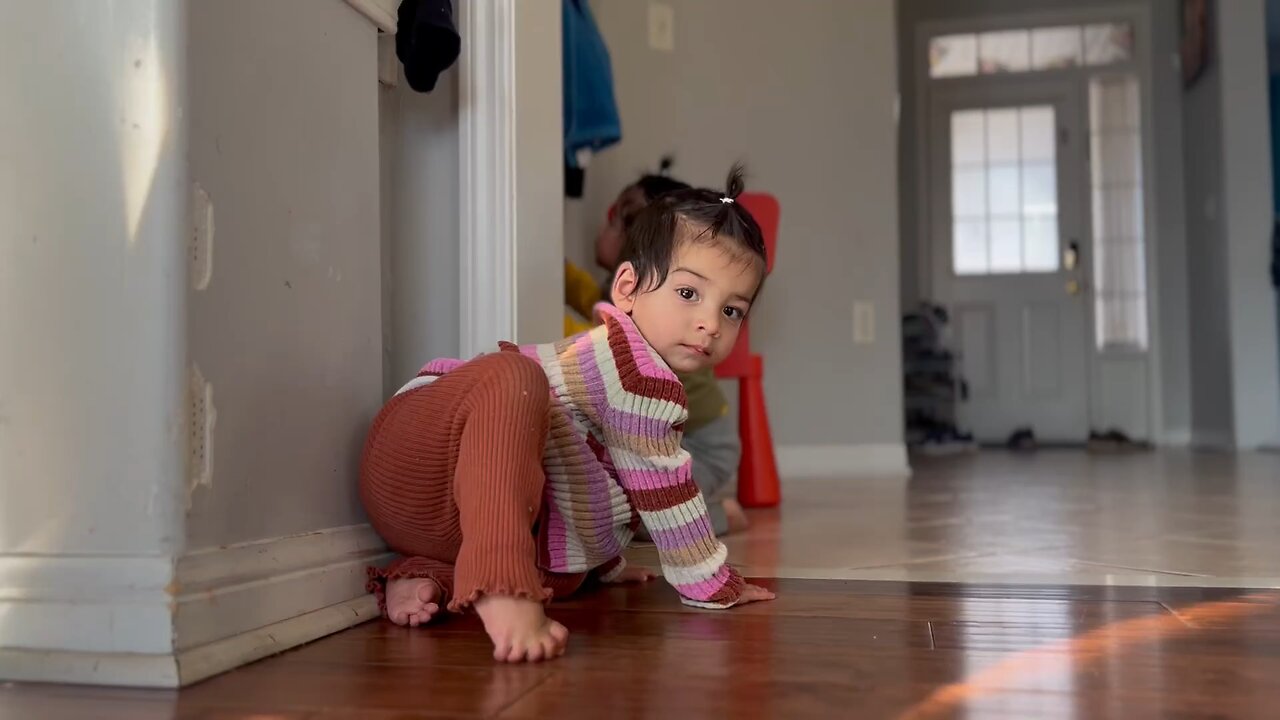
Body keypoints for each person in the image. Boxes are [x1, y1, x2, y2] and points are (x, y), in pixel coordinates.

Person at [360, 166, 775, 663]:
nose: (709, 323)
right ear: (627, 288)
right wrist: (713, 584)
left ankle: (426, 573)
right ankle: (502, 587)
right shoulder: (632, 369)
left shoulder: (644, 381)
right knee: (514, 377)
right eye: (688, 293)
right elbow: (666, 494)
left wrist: (604, 558)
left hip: (443, 519)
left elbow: (593, 471)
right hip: (416, 452)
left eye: (732, 311)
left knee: (563, 567)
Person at [565, 165, 748, 536]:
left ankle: (719, 514)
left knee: (638, 513)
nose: (606, 225)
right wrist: (556, 273)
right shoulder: (628, 290)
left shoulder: (655, 314)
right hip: (667, 442)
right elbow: (590, 300)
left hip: (701, 446)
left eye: (619, 218)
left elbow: (598, 343)